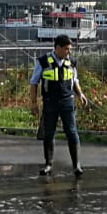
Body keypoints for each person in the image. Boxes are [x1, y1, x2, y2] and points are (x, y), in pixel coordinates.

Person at [29, 34, 92, 177]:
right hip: (50, 102)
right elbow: (34, 83)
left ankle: (76, 165)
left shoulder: (71, 62)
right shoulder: (43, 62)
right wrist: (33, 103)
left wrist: (80, 94)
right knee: (49, 133)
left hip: (67, 102)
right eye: (66, 49)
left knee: (72, 132)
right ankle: (48, 164)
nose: (69, 52)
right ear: (57, 48)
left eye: (70, 49)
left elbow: (74, 80)